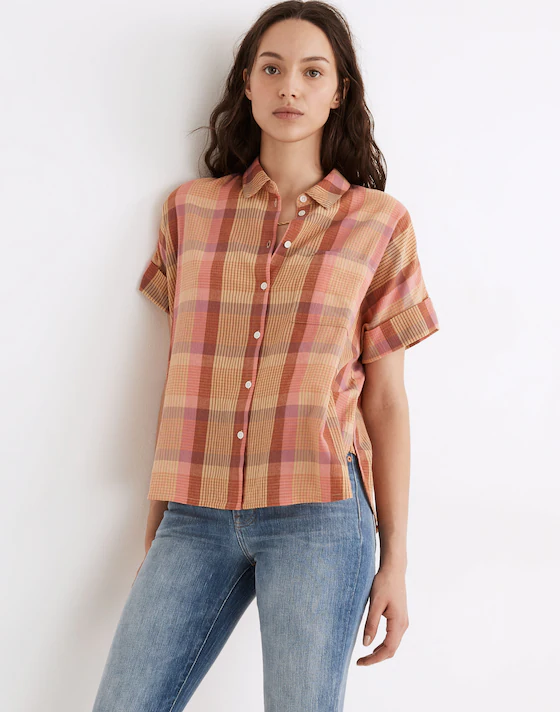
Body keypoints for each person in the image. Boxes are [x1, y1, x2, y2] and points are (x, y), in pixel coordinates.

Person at [91, 2, 440, 710]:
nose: (290, 88)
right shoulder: (190, 211)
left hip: (322, 514)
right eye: (272, 69)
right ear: (246, 84)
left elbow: (386, 400)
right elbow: (181, 371)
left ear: (338, 91)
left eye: (312, 72)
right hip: (195, 511)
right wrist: (159, 517)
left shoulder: (379, 223)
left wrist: (396, 559)